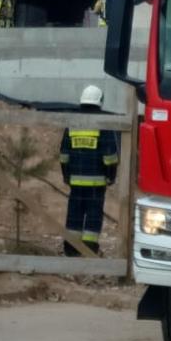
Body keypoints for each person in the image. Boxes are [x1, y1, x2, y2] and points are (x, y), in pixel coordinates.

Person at [59, 85, 119, 256]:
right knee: (93, 214)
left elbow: (64, 155)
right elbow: (110, 156)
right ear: (100, 101)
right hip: (96, 182)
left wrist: (66, 175)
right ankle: (89, 249)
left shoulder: (72, 123)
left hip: (75, 181)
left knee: (74, 214)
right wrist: (111, 176)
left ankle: (70, 248)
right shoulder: (103, 123)